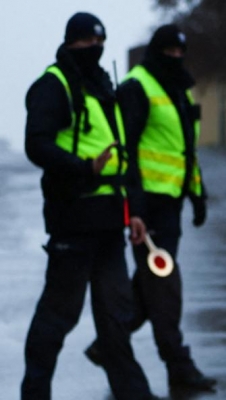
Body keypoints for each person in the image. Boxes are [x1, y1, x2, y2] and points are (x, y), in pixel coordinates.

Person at [22, 12, 157, 400]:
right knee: (58, 316)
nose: (93, 50)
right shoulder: (54, 85)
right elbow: (38, 144)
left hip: (112, 223)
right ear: (70, 43)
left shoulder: (102, 87)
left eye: (98, 43)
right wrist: (84, 167)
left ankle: (135, 394)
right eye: (85, 43)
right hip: (73, 220)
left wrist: (136, 213)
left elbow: (123, 158)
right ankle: (35, 393)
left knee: (116, 318)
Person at [84, 24, 216, 392]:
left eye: (180, 52)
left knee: (151, 285)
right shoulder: (137, 86)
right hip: (147, 207)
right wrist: (135, 208)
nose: (175, 58)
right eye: (169, 52)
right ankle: (179, 364)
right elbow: (127, 153)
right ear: (157, 52)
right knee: (163, 286)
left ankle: (107, 345)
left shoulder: (177, 89)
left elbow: (183, 149)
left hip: (169, 203)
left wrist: (197, 193)